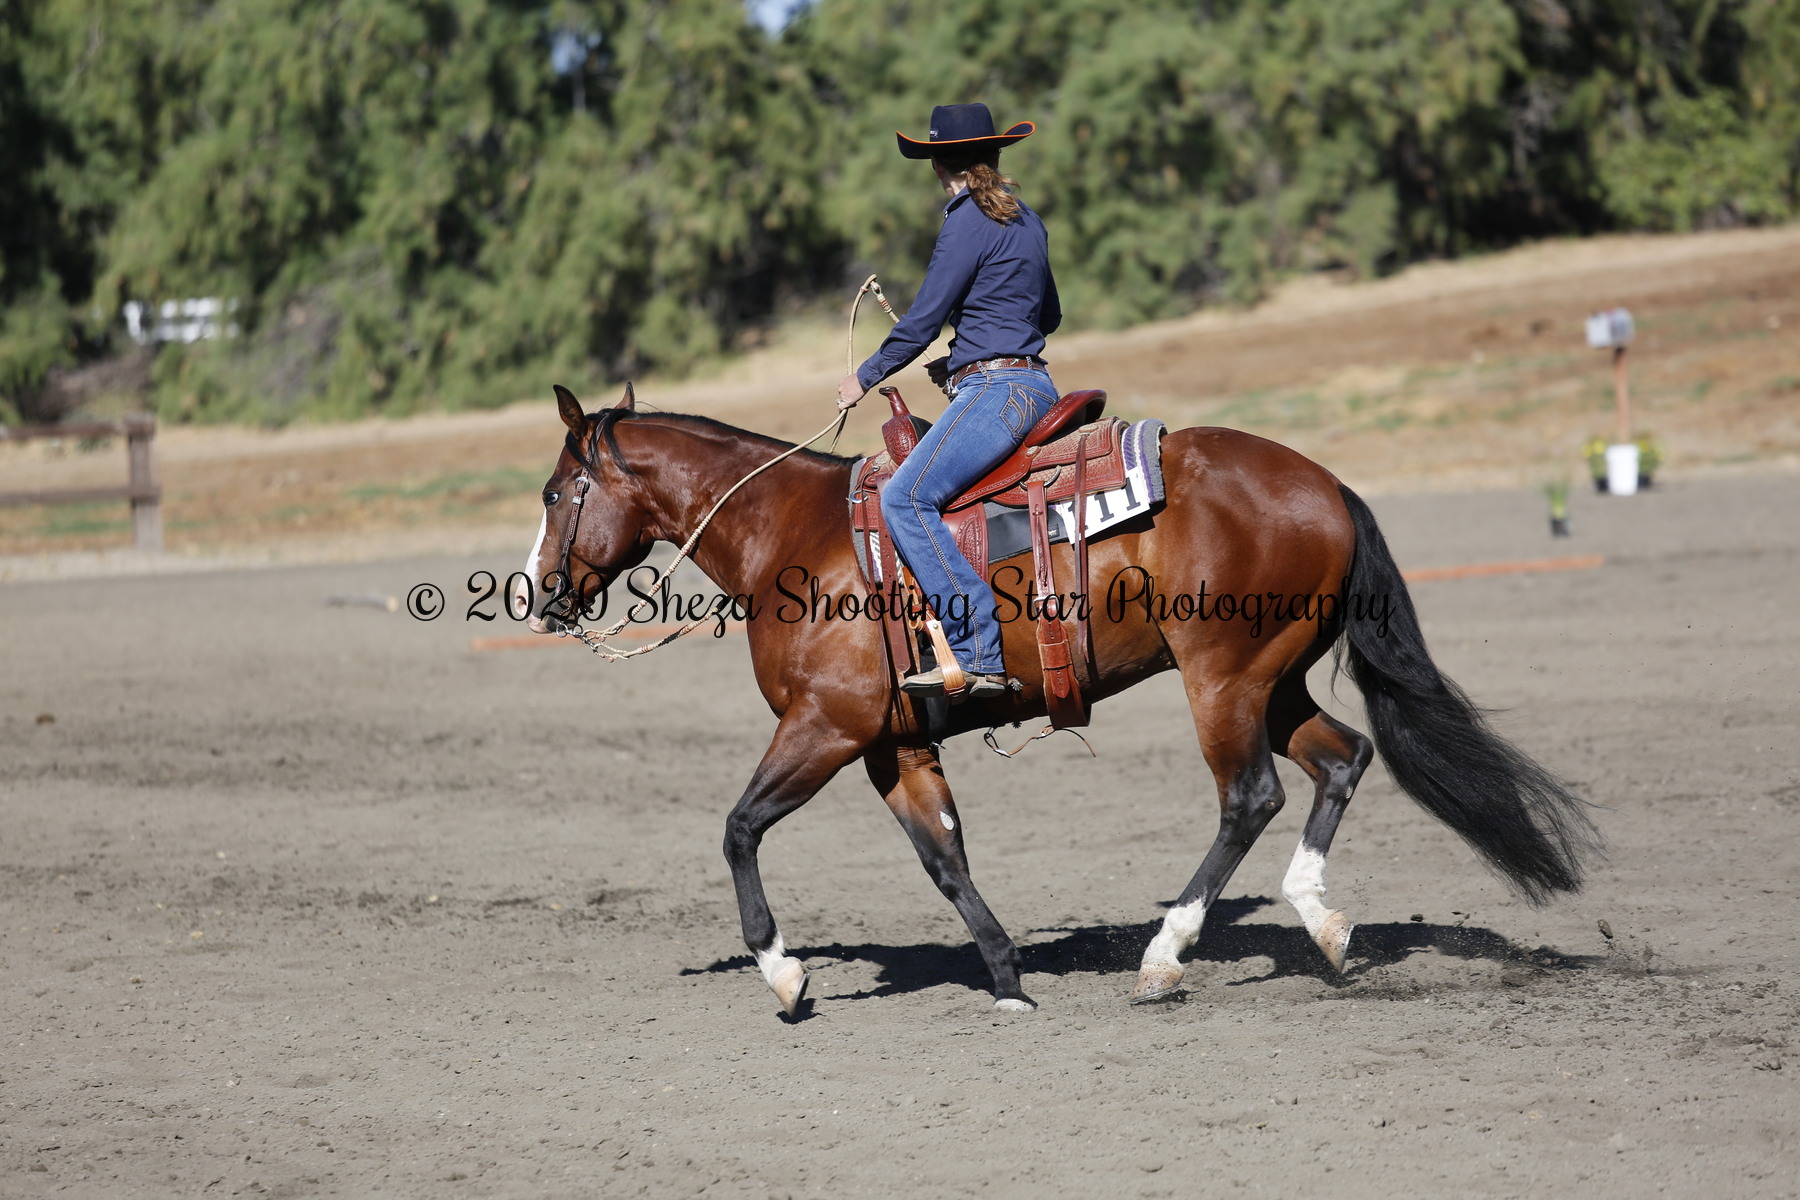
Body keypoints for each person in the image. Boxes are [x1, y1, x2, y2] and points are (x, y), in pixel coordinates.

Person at [836, 103, 1062, 700]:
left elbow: (920, 323)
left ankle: (977, 650)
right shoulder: (1029, 220)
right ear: (994, 155)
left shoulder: (965, 222)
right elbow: (1048, 316)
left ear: (939, 165)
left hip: (998, 390)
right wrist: (970, 352)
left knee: (905, 498)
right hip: (1034, 385)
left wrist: (864, 377)